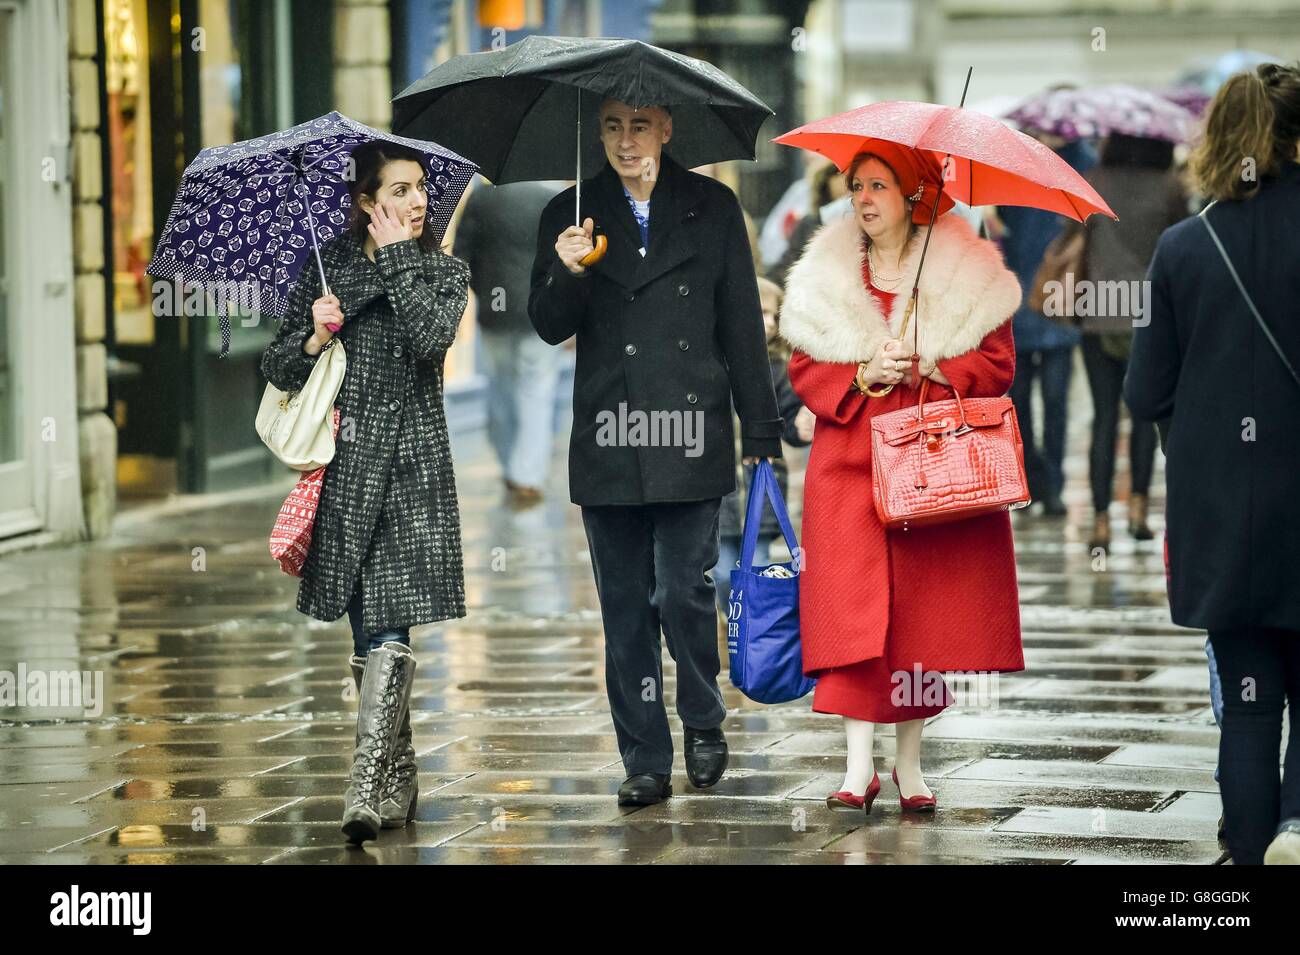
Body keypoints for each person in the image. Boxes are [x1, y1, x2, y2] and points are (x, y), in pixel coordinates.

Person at [528, 97, 784, 806]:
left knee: (682, 590)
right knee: (623, 606)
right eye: (611, 126)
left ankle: (703, 716)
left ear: (667, 129)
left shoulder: (712, 205)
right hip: (609, 436)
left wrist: (760, 434)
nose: (625, 141)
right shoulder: (569, 213)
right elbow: (548, 326)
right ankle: (644, 755)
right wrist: (568, 270)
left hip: (691, 428)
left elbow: (739, 324)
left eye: (639, 125)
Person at [780, 141, 1024, 814]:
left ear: (916, 196)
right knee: (851, 616)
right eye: (856, 185)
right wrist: (863, 373)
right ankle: (857, 767)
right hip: (848, 468)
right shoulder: (823, 272)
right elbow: (803, 369)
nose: (861, 197)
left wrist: (936, 363)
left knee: (919, 619)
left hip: (928, 468)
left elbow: (999, 364)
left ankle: (909, 765)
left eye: (879, 185)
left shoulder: (966, 270)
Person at [260, 140, 471, 844]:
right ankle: (400, 772)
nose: (415, 202)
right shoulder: (327, 270)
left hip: (413, 469)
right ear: (365, 202)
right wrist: (315, 337)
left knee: (388, 623)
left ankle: (363, 784)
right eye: (399, 190)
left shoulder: (443, 269)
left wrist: (400, 262)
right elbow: (279, 366)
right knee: (367, 629)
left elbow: (430, 338)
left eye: (421, 190)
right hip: (347, 471)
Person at [1125, 62, 1300, 865]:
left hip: (1224, 512)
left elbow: (1145, 389)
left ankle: (1248, 846)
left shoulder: (1184, 247)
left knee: (1250, 695)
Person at [1072, 132, 1187, 549]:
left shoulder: (1093, 180)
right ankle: (1138, 509)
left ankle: (1100, 521)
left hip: (1098, 313)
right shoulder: (1170, 185)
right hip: (1149, 315)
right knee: (1143, 415)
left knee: (1104, 418)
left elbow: (1071, 230)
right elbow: (1180, 238)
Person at [996, 131, 1095, 517]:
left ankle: (1051, 485)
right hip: (1015, 306)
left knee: (1056, 403)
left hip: (1059, 304)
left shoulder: (1081, 167)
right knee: (1017, 404)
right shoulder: (1013, 168)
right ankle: (1028, 479)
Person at [454, 177, 568, 507]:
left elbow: (462, 256)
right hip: (541, 315)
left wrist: (485, 295)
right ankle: (527, 475)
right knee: (537, 393)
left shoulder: (483, 199)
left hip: (495, 314)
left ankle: (508, 463)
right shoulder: (554, 202)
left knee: (500, 390)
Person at [712, 276, 813, 613]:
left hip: (764, 491)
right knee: (722, 572)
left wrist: (800, 425)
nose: (769, 323)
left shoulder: (777, 369)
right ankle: (732, 620)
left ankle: (752, 628)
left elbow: (788, 417)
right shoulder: (714, 364)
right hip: (721, 495)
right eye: (762, 314)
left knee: (757, 569)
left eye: (775, 316)